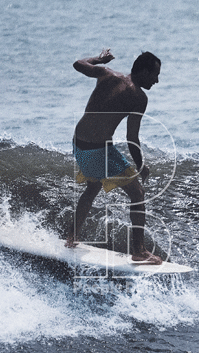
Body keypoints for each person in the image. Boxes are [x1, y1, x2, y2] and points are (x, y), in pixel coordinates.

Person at [64, 48, 162, 265]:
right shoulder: (139, 97)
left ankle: (72, 236)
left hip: (79, 143)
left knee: (92, 187)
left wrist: (99, 60)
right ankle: (139, 250)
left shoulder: (107, 74)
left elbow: (78, 63)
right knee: (137, 194)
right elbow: (131, 138)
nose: (156, 80)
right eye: (154, 74)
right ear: (143, 72)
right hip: (98, 149)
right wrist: (141, 165)